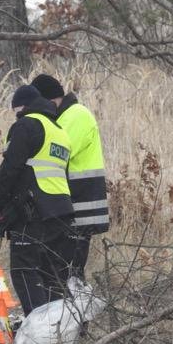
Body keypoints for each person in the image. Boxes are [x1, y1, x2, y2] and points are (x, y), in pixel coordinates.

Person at [0, 85, 74, 317]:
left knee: (25, 271)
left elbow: (12, 168)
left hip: (33, 212)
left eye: (16, 111)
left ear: (22, 107)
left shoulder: (27, 124)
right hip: (61, 211)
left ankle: (40, 331)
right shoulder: (59, 130)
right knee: (52, 274)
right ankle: (64, 328)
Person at [31, 74, 109, 279]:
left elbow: (58, 151)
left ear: (49, 101)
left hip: (81, 202)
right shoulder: (63, 117)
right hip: (70, 203)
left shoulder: (75, 115)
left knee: (70, 269)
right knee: (61, 267)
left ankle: (75, 307)